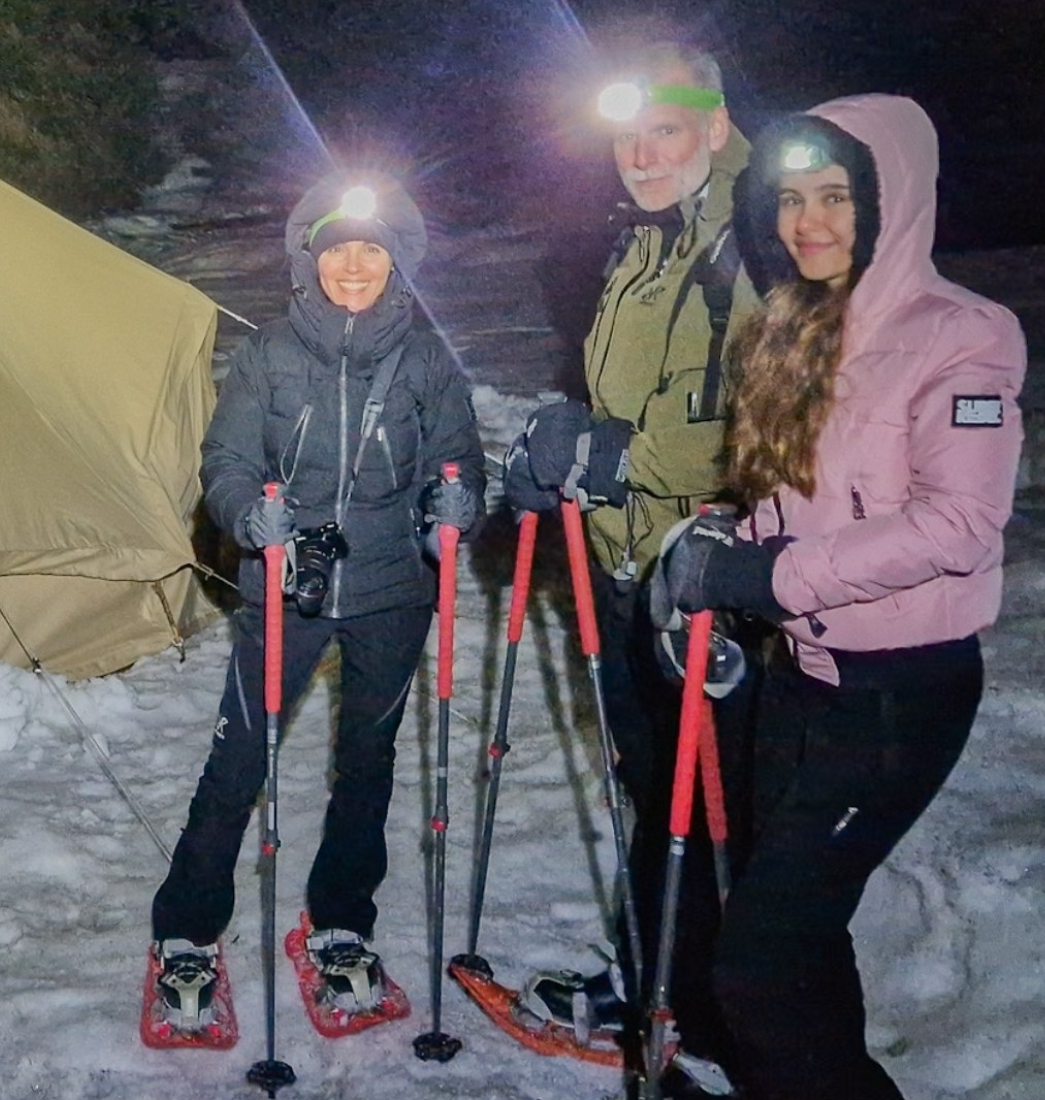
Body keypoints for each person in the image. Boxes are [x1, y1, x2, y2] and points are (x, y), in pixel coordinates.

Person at [651, 94, 1025, 1100]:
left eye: (834, 196)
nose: (806, 221)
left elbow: (958, 523)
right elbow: (805, 498)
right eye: (787, 198)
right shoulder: (794, 325)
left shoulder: (962, 336)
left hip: (896, 696)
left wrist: (765, 577)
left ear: (888, 200)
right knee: (796, 936)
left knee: (759, 964)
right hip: (799, 677)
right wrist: (735, 538)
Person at [147, 172, 484, 1035]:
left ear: (396, 259)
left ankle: (341, 922)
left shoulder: (425, 356)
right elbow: (223, 458)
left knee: (367, 763)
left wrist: (457, 505)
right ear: (310, 259)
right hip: (285, 586)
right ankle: (186, 932)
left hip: (391, 592)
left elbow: (458, 458)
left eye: (372, 248)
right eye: (338, 249)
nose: (355, 264)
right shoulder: (268, 354)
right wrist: (243, 514)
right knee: (239, 761)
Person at [501, 40, 760, 1067]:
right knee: (658, 789)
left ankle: (734, 1006)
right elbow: (631, 394)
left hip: (707, 571)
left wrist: (617, 454)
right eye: (628, 135)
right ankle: (665, 980)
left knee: (716, 799)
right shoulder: (651, 239)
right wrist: (575, 434)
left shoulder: (752, 240)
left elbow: (770, 413)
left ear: (715, 124)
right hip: (630, 560)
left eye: (667, 130)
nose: (644, 154)